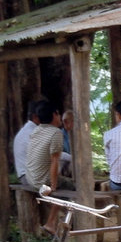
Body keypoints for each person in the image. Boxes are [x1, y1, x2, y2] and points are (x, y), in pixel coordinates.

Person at [25, 100, 75, 233]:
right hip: (42, 180)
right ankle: (51, 222)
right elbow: (55, 161)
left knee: (62, 183)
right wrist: (53, 185)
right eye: (58, 115)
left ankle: (58, 219)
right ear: (54, 115)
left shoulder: (36, 130)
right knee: (73, 186)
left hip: (30, 177)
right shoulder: (55, 133)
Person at [13, 100, 41, 186]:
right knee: (71, 184)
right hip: (30, 177)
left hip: (24, 176)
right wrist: (72, 158)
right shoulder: (33, 132)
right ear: (35, 117)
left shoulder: (25, 130)